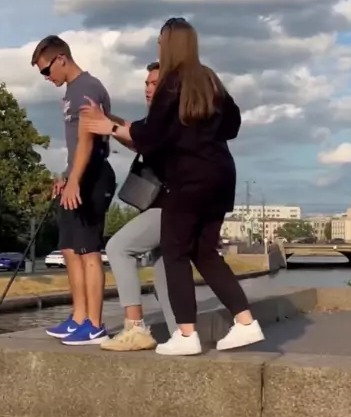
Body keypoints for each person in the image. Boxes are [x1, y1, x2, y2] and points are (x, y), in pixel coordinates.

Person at [81, 18, 264, 356]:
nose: (158, 47)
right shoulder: (209, 79)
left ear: (168, 45)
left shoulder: (172, 83)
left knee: (174, 253)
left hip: (188, 181)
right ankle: (245, 321)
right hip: (221, 177)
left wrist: (110, 127)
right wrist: (198, 131)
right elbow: (233, 125)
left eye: (160, 42)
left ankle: (186, 334)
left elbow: (150, 136)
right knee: (204, 253)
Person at [31, 35, 116, 345]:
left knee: (88, 250)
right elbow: (74, 145)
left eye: (46, 70)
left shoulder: (88, 88)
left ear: (61, 59)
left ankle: (95, 325)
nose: (46, 77)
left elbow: (87, 140)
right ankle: (78, 318)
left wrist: (76, 180)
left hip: (93, 176)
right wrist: (67, 177)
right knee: (69, 248)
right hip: (77, 176)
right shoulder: (70, 92)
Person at [102, 61, 176, 352]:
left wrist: (107, 124)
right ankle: (181, 333)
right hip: (167, 205)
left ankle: (135, 327)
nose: (148, 88)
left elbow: (139, 138)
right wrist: (107, 118)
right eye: (146, 83)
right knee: (164, 272)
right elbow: (136, 138)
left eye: (155, 83)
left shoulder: (169, 118)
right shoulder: (160, 118)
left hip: (171, 205)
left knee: (119, 247)